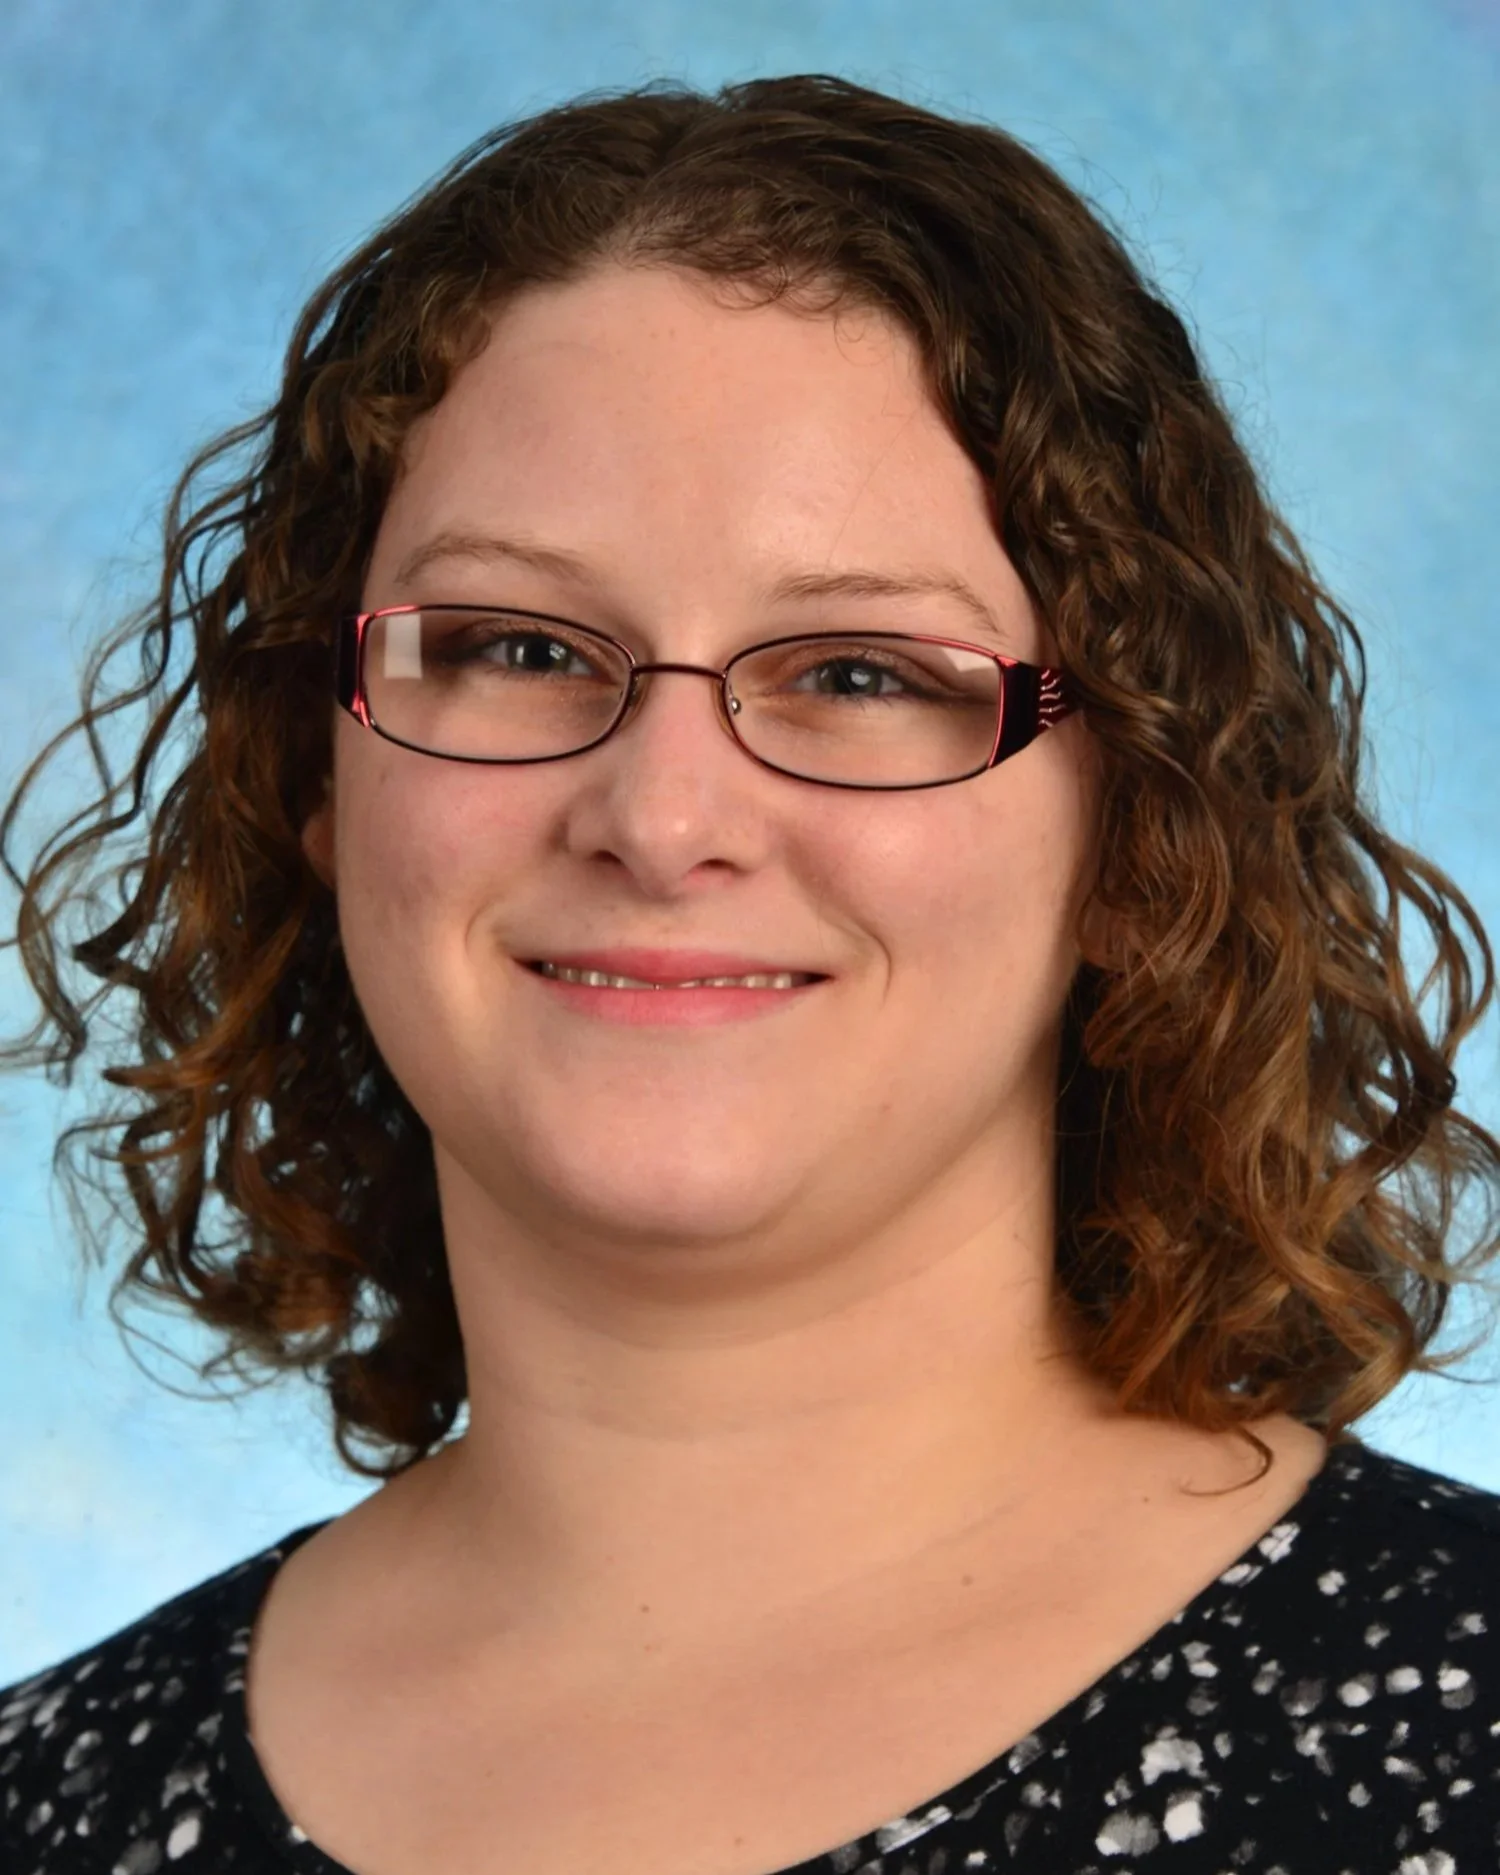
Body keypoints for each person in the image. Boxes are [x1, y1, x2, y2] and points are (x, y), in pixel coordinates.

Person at [1, 72, 1497, 1875]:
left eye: (861, 672)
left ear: (1138, 835)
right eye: (520, 645)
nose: (663, 812)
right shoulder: (46, 1795)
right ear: (314, 781)